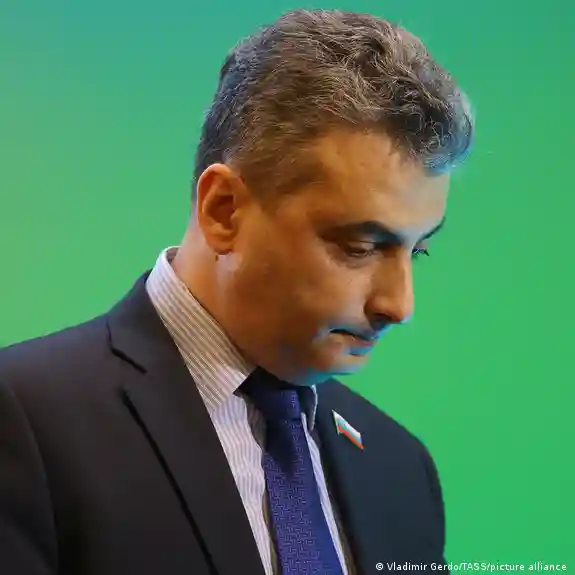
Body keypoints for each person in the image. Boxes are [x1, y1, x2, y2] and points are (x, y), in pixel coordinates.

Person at [0, 8, 473, 575]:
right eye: (360, 246)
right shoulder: (24, 421)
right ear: (224, 210)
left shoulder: (401, 471)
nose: (399, 305)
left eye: (418, 250)